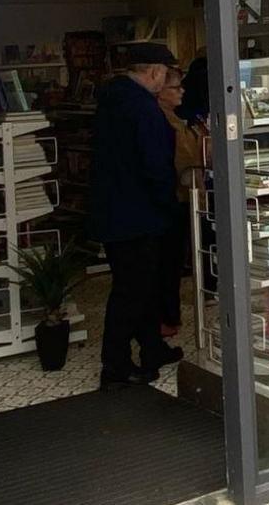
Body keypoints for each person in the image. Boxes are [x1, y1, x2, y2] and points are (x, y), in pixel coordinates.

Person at [88, 42, 187, 386]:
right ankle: (114, 364)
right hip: (140, 215)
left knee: (140, 286)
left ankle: (151, 346)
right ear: (154, 72)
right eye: (166, 74)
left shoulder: (111, 101)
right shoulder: (143, 109)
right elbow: (155, 165)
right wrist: (168, 204)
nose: (166, 81)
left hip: (115, 211)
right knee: (132, 291)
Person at [156, 66, 201, 336]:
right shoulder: (165, 123)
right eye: (175, 87)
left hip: (183, 197)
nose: (182, 91)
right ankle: (166, 318)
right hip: (175, 197)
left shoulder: (176, 119)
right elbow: (181, 162)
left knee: (174, 261)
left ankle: (170, 316)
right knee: (168, 262)